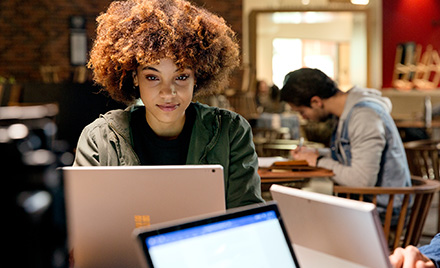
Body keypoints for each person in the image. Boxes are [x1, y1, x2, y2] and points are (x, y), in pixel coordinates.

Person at [73, 0, 264, 209]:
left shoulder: (230, 133)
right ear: (135, 78)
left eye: (181, 77)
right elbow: (85, 223)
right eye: (152, 77)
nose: (167, 92)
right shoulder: (99, 139)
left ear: (197, 77)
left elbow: (246, 216)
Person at [280, 68, 411, 214]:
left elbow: (362, 181)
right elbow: (352, 155)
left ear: (316, 101)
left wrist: (317, 160)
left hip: (383, 212)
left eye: (302, 112)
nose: (303, 117)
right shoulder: (346, 113)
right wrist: (314, 153)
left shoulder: (363, 117)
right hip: (363, 205)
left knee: (297, 217)